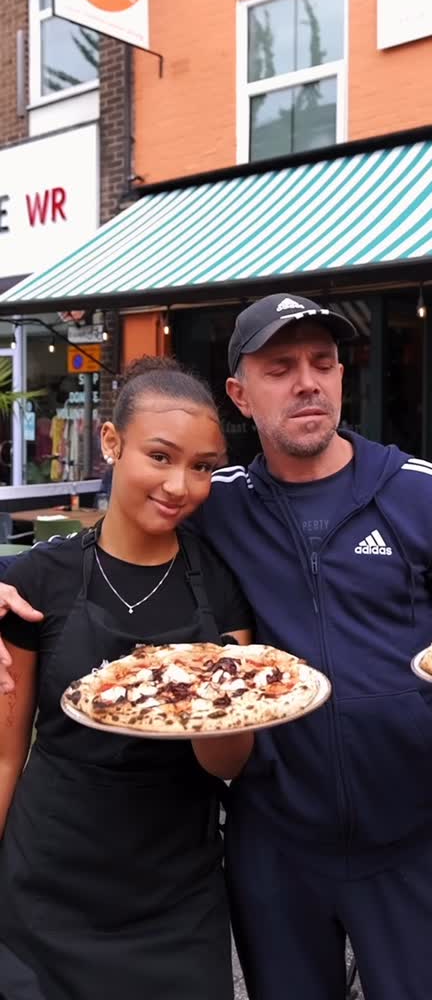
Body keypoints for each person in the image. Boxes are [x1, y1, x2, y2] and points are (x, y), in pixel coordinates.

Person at [0, 293, 432, 1000]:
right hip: (273, 846)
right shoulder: (222, 501)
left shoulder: (418, 492)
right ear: (241, 394)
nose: (308, 381)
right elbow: (122, 520)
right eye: (281, 367)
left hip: (411, 841)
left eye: (324, 363)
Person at [0, 357, 254, 1000]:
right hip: (47, 879)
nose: (181, 485)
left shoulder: (220, 585)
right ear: (112, 444)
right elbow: (4, 756)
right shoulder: (37, 581)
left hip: (176, 890)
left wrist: (217, 688)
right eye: (161, 456)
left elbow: (227, 763)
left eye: (201, 467)